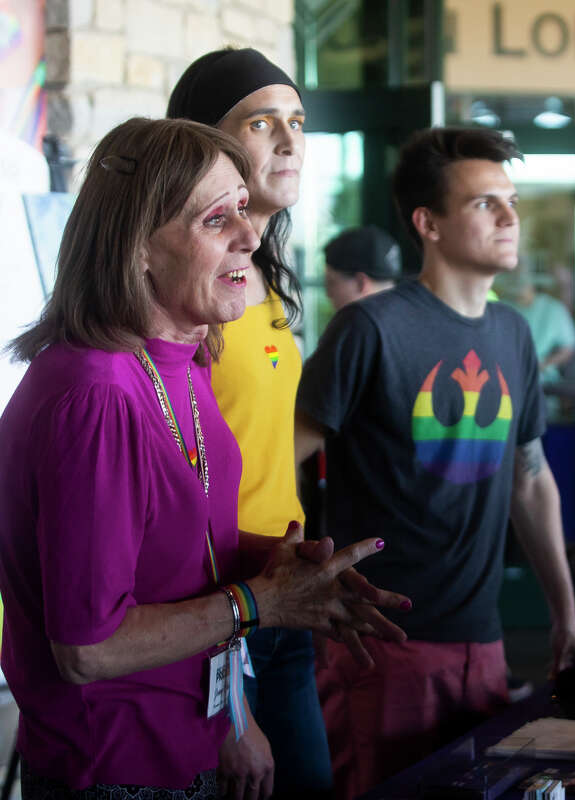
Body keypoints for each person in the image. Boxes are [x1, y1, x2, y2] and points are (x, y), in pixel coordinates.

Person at [0, 117, 408, 799]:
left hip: (188, 741)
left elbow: (168, 548)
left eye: (244, 208)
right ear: (139, 251)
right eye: (218, 219)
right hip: (113, 767)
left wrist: (272, 564)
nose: (252, 235)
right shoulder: (97, 395)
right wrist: (259, 602)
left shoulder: (186, 360)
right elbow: (87, 648)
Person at [295, 127, 575, 797]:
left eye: (511, 200)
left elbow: (530, 479)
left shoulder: (513, 333)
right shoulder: (371, 328)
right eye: (486, 203)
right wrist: (295, 582)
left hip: (482, 641)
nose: (510, 217)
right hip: (383, 643)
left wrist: (564, 614)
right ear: (428, 223)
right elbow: (274, 463)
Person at [166, 48, 342, 798]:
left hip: (281, 590)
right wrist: (232, 710)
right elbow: (172, 489)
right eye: (261, 122)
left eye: (297, 123)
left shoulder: (261, 270)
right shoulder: (185, 286)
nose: (289, 141)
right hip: (214, 609)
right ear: (204, 143)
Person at [323, 225, 402, 311]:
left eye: (331, 283)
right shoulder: (409, 319)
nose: (328, 294)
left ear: (361, 283)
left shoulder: (354, 323)